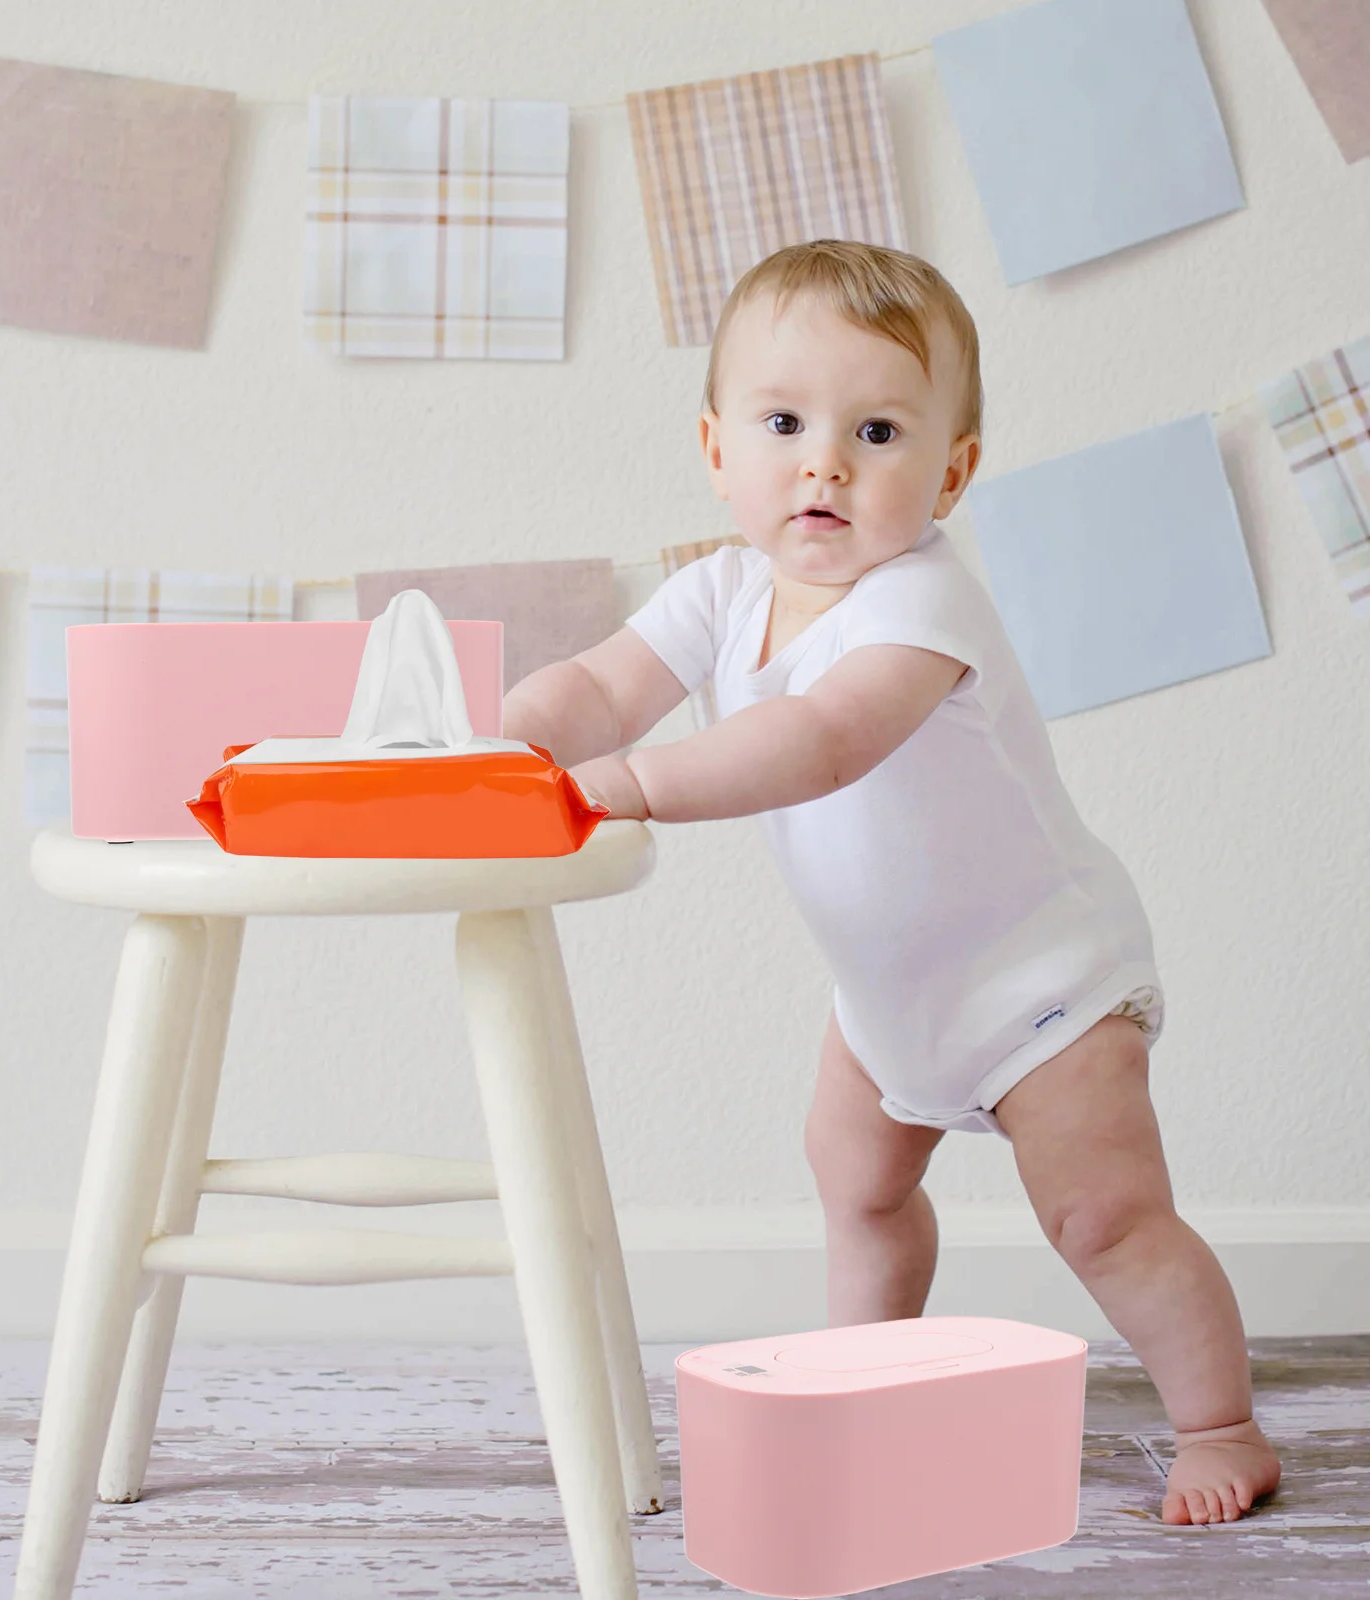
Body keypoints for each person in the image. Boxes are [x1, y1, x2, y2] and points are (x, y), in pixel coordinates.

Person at [500, 238, 1281, 1526]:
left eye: (875, 432)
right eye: (784, 425)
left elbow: (820, 741)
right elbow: (596, 685)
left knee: (1104, 1218)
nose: (825, 465)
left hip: (1044, 982)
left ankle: (1220, 1424)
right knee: (857, 1187)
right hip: (888, 994)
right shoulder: (720, 590)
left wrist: (629, 783)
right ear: (716, 450)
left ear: (952, 473)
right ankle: (863, 1390)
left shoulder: (923, 605)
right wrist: (512, 740)